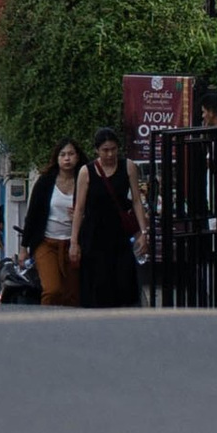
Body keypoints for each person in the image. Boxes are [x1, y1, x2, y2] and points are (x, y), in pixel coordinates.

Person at [69, 132, 146, 310]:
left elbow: (136, 200)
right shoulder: (86, 172)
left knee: (123, 283)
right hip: (94, 236)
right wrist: (74, 241)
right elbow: (79, 208)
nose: (110, 155)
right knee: (97, 285)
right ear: (97, 150)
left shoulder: (128, 166)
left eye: (113, 150)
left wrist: (144, 232)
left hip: (119, 235)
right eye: (105, 150)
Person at [21, 139, 85, 304]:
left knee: (73, 293)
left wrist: (80, 218)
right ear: (57, 158)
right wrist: (23, 248)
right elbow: (33, 215)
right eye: (62, 155)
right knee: (52, 289)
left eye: (71, 154)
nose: (67, 159)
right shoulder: (45, 182)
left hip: (73, 244)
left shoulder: (84, 181)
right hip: (47, 242)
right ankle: (46, 322)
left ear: (78, 157)